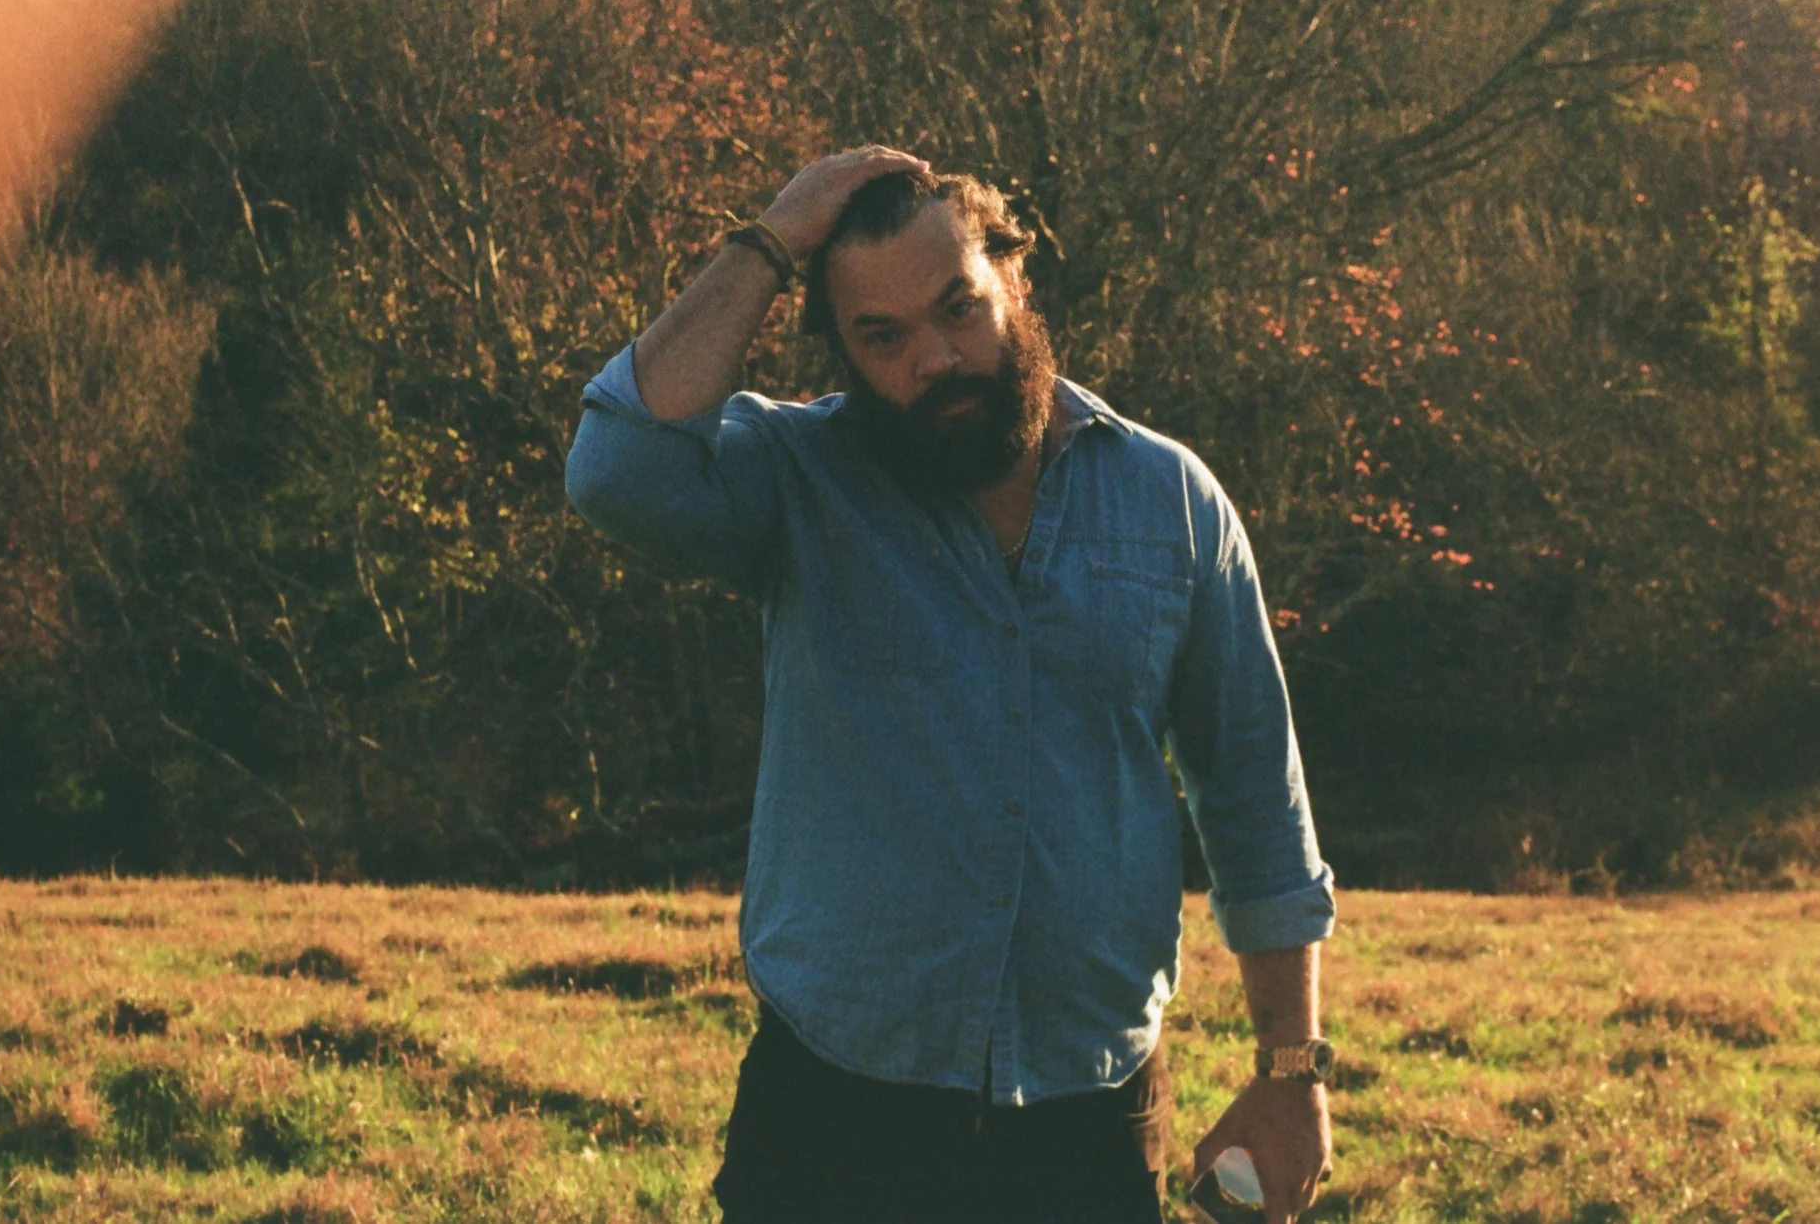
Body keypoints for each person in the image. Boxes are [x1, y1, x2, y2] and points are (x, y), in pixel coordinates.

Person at [565, 146, 1338, 1223]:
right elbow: (616, 469)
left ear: (1013, 277)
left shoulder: (1172, 501)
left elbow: (1256, 802)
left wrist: (1290, 1071)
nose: (933, 358)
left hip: (1086, 1114)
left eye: (957, 307)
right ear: (837, 349)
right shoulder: (795, 479)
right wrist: (772, 239)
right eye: (880, 335)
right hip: (835, 1112)